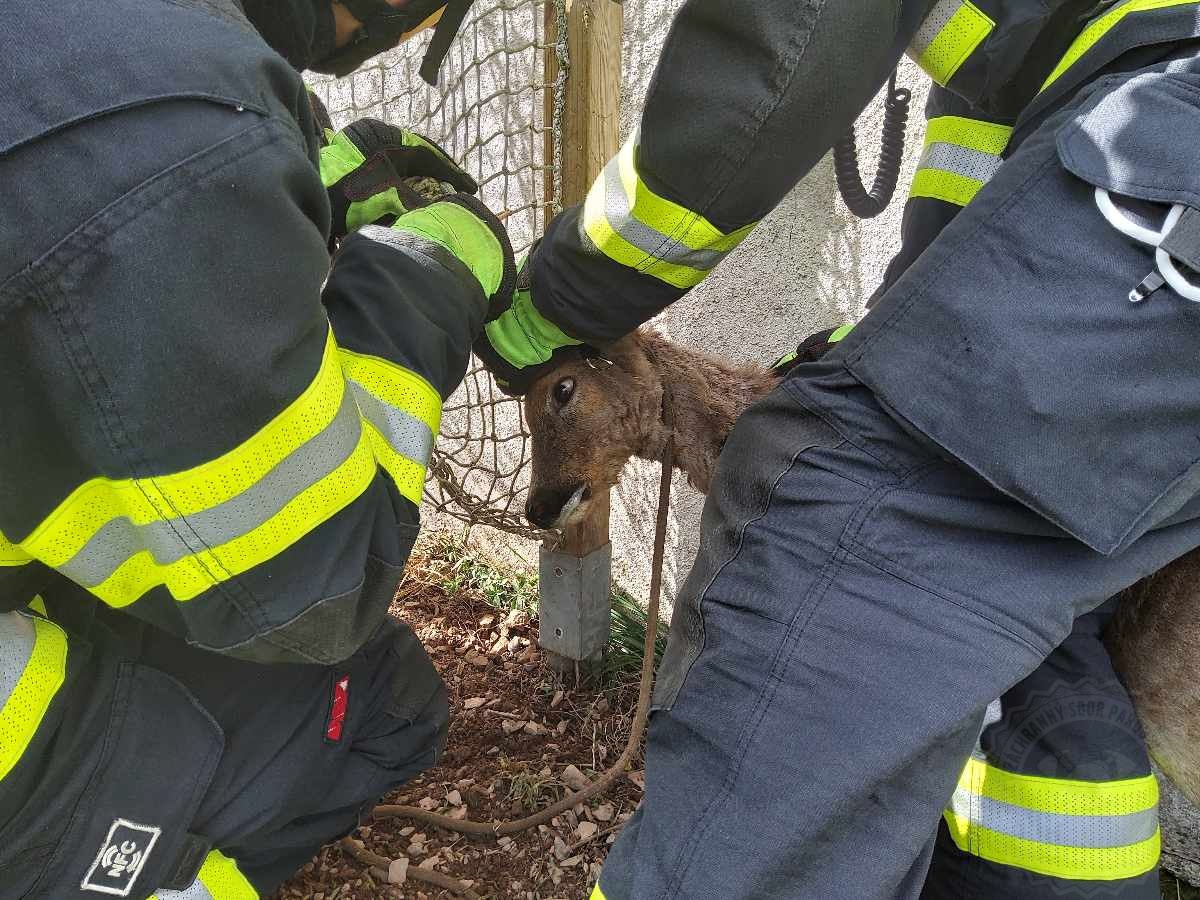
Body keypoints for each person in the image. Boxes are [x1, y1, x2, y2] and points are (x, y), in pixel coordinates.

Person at [473, 0, 1200, 896]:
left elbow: (779, 56)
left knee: (819, 521)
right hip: (1131, 229)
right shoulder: (1012, 58)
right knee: (1027, 654)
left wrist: (565, 295)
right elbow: (973, 189)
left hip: (1160, 194)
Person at [0, 1, 515, 897]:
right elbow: (313, 588)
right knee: (380, 694)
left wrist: (284, 172)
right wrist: (422, 277)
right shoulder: (169, 153)